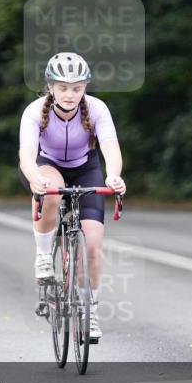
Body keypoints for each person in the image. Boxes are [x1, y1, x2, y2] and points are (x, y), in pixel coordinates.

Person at [18, 52, 126, 343]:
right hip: (46, 166)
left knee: (92, 246)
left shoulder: (97, 109)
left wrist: (114, 176)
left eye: (77, 88)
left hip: (86, 169)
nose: (70, 94)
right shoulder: (34, 111)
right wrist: (35, 179)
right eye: (63, 87)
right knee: (51, 192)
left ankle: (89, 310)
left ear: (85, 88)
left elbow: (111, 148)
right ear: (51, 87)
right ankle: (43, 256)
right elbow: (26, 155)